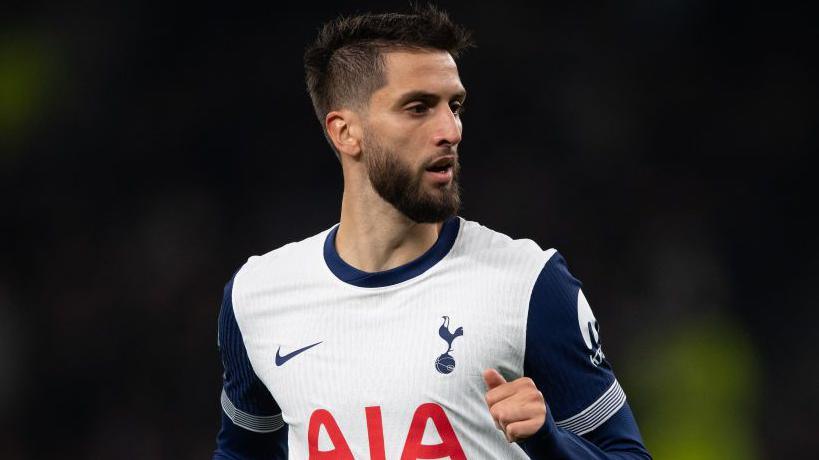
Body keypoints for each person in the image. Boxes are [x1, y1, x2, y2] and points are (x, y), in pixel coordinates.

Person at [213, 5, 651, 459]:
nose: (451, 130)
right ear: (345, 132)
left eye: (455, 106)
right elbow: (241, 452)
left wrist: (550, 444)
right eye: (419, 107)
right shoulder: (257, 296)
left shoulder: (528, 284)